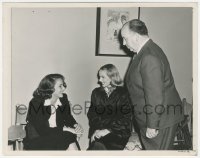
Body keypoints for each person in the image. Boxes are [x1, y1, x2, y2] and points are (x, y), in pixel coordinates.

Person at [121, 19, 184, 150]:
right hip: (154, 117)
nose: (123, 43)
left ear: (136, 37)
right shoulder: (146, 51)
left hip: (159, 120)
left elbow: (154, 95)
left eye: (125, 39)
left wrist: (152, 125)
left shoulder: (149, 56)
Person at [23, 74, 83, 150]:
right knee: (68, 136)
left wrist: (75, 125)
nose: (64, 88)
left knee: (69, 136)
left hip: (58, 136)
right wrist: (66, 129)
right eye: (60, 86)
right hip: (38, 139)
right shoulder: (36, 102)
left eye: (63, 85)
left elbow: (68, 117)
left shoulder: (63, 98)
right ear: (50, 88)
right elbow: (42, 129)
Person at [87, 64, 132, 150]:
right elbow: (92, 115)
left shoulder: (123, 93)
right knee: (97, 145)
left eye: (103, 77)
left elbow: (125, 118)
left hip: (118, 132)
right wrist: (96, 130)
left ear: (112, 77)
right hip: (98, 130)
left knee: (99, 145)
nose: (100, 80)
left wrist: (107, 130)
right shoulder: (96, 92)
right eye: (99, 77)